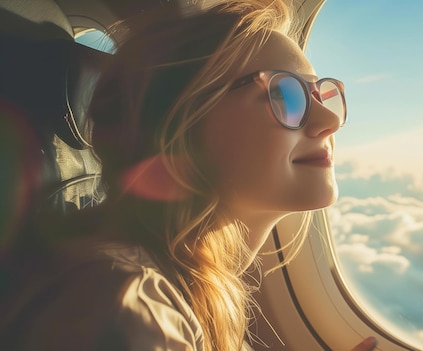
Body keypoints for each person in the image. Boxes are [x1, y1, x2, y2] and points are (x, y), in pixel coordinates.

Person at [0, 1, 378, 350]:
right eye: (285, 95)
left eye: (319, 94)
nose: (330, 122)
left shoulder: (198, 286)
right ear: (178, 130)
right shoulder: (127, 305)